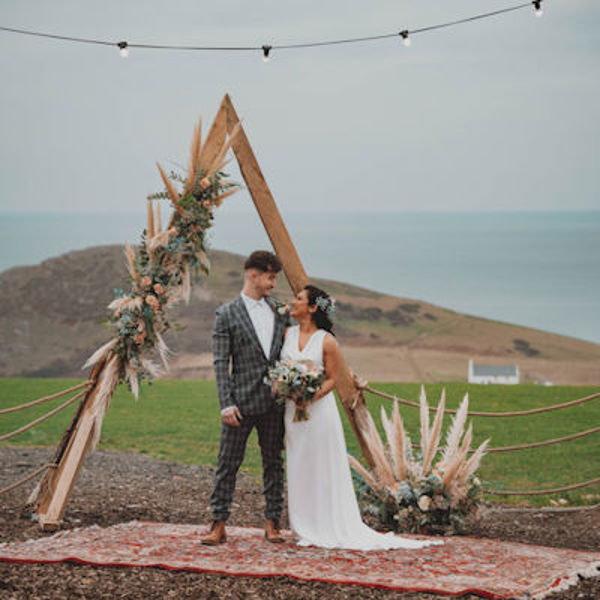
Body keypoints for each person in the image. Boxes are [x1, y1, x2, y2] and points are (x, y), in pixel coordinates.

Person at [282, 285, 443, 550]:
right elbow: (281, 370)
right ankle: (302, 524)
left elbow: (333, 378)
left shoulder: (327, 341)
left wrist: (310, 396)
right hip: (293, 413)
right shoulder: (287, 334)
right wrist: (284, 386)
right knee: (299, 463)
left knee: (321, 467)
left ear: (312, 308)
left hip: (319, 412)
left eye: (299, 299)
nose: (293, 302)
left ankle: (326, 524)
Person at [201, 250, 290, 545]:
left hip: (275, 405)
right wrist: (225, 403)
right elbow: (219, 362)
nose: (273, 284)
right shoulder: (225, 314)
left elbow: (292, 350)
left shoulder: (280, 311)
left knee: (274, 463)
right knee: (227, 463)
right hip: (238, 404)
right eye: (270, 277)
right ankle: (218, 523)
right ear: (253, 275)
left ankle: (272, 523)